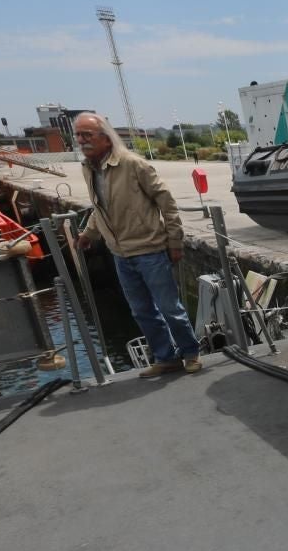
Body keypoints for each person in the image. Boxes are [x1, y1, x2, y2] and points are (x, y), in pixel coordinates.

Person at [72, 113, 201, 377]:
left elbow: (167, 202)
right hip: (120, 254)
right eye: (78, 135)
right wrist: (88, 235)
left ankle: (190, 353)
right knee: (141, 311)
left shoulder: (133, 165)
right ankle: (166, 358)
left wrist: (175, 242)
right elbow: (100, 210)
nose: (81, 140)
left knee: (169, 308)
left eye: (87, 134)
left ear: (106, 139)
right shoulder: (89, 169)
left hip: (150, 249)